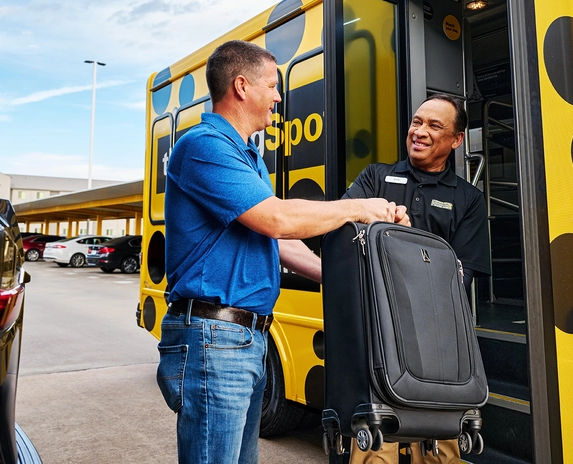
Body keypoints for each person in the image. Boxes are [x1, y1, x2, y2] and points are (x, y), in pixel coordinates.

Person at [156, 39, 399, 464]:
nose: (278, 97)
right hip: (215, 338)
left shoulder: (247, 154)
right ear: (242, 86)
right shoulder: (204, 145)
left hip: (244, 339)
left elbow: (279, 240)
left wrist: (344, 275)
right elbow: (278, 220)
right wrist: (361, 208)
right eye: (273, 86)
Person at [343, 93, 490, 464]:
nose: (419, 132)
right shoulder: (375, 177)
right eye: (416, 122)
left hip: (437, 344)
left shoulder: (469, 198)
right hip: (376, 338)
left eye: (434, 126)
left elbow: (461, 276)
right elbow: (341, 229)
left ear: (456, 140)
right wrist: (372, 219)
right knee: (375, 453)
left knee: (441, 453)